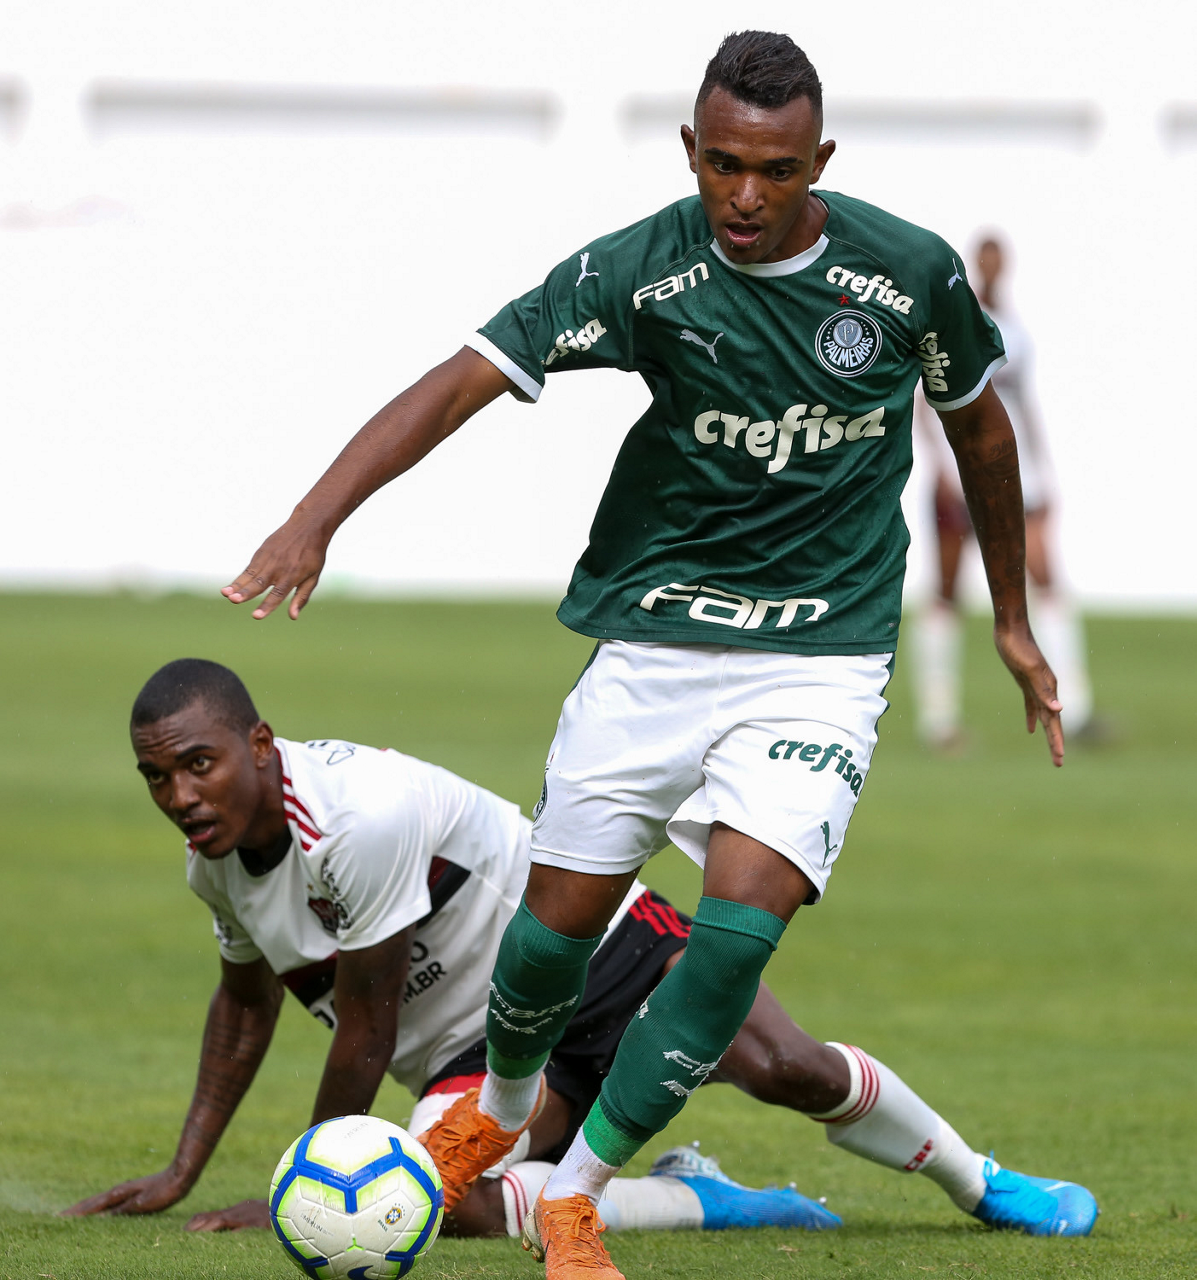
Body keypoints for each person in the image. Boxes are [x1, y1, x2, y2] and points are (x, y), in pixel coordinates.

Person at [221, 32, 1098, 1276]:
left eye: (776, 170)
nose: (745, 195)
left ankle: (577, 1194)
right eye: (723, 164)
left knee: (734, 938)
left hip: (821, 653)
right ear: (691, 149)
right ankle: (501, 1110)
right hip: (655, 635)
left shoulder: (908, 275)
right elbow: (466, 378)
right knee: (552, 932)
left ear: (820, 161)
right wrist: (316, 518)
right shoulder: (640, 271)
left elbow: (983, 432)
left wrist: (1010, 617)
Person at [65, 659, 1075, 1242]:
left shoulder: (358, 815)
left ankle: (977, 1180)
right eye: (158, 778)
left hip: (594, 953)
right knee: (440, 1208)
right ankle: (705, 1200)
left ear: (260, 744)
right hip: (473, 1056)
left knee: (785, 1066)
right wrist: (181, 1170)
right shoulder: (216, 867)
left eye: (199, 764)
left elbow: (364, 1026)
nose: (181, 796)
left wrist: (313, 1189)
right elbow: (243, 1006)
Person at [911, 234, 1098, 750]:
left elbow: (1023, 403)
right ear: (976, 265)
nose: (992, 270)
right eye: (985, 262)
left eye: (999, 263)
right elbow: (926, 400)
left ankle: (1074, 706)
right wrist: (942, 468)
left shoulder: (1016, 331)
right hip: (959, 474)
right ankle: (938, 719)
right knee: (947, 591)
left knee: (1047, 579)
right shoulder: (955, 319)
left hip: (1017, 478)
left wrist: (1044, 469)